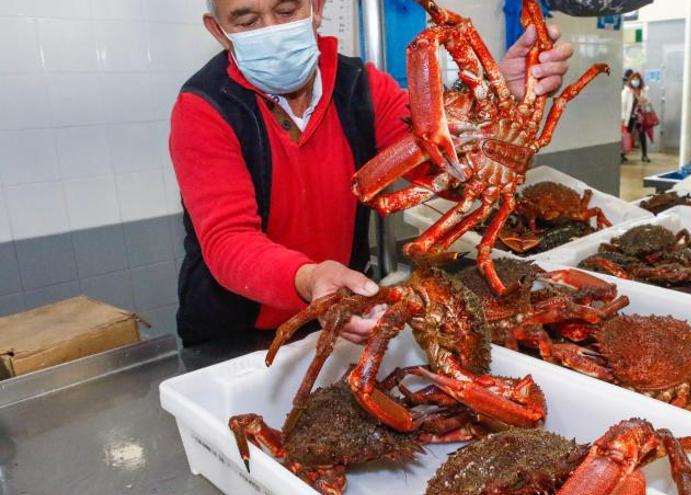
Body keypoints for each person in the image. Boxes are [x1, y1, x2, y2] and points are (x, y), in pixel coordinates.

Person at [170, 0, 575, 346]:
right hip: (237, 333)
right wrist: (307, 277)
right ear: (219, 31)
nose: (271, 30)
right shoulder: (204, 108)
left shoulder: (362, 88)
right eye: (247, 21)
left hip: (347, 310)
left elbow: (448, 171)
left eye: (285, 9)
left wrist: (497, 112)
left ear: (316, 7)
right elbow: (227, 240)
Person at [621, 71, 651, 163]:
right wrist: (622, 118)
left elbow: (648, 103)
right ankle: (622, 154)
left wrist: (645, 102)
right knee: (626, 135)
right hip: (629, 117)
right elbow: (623, 105)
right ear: (630, 80)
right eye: (634, 79)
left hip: (640, 116)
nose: (635, 81)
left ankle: (644, 155)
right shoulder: (626, 91)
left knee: (642, 135)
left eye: (637, 79)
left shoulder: (644, 90)